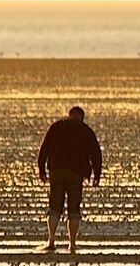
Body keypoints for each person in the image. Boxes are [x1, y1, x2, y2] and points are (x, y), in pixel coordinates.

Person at [36, 105, 102, 254]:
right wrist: (96, 174)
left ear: (69, 115)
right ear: (81, 117)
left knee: (54, 206)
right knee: (73, 208)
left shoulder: (56, 127)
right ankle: (72, 244)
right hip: (76, 173)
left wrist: (41, 169)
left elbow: (44, 148)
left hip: (56, 171)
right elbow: (95, 153)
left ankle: (51, 240)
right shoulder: (86, 131)